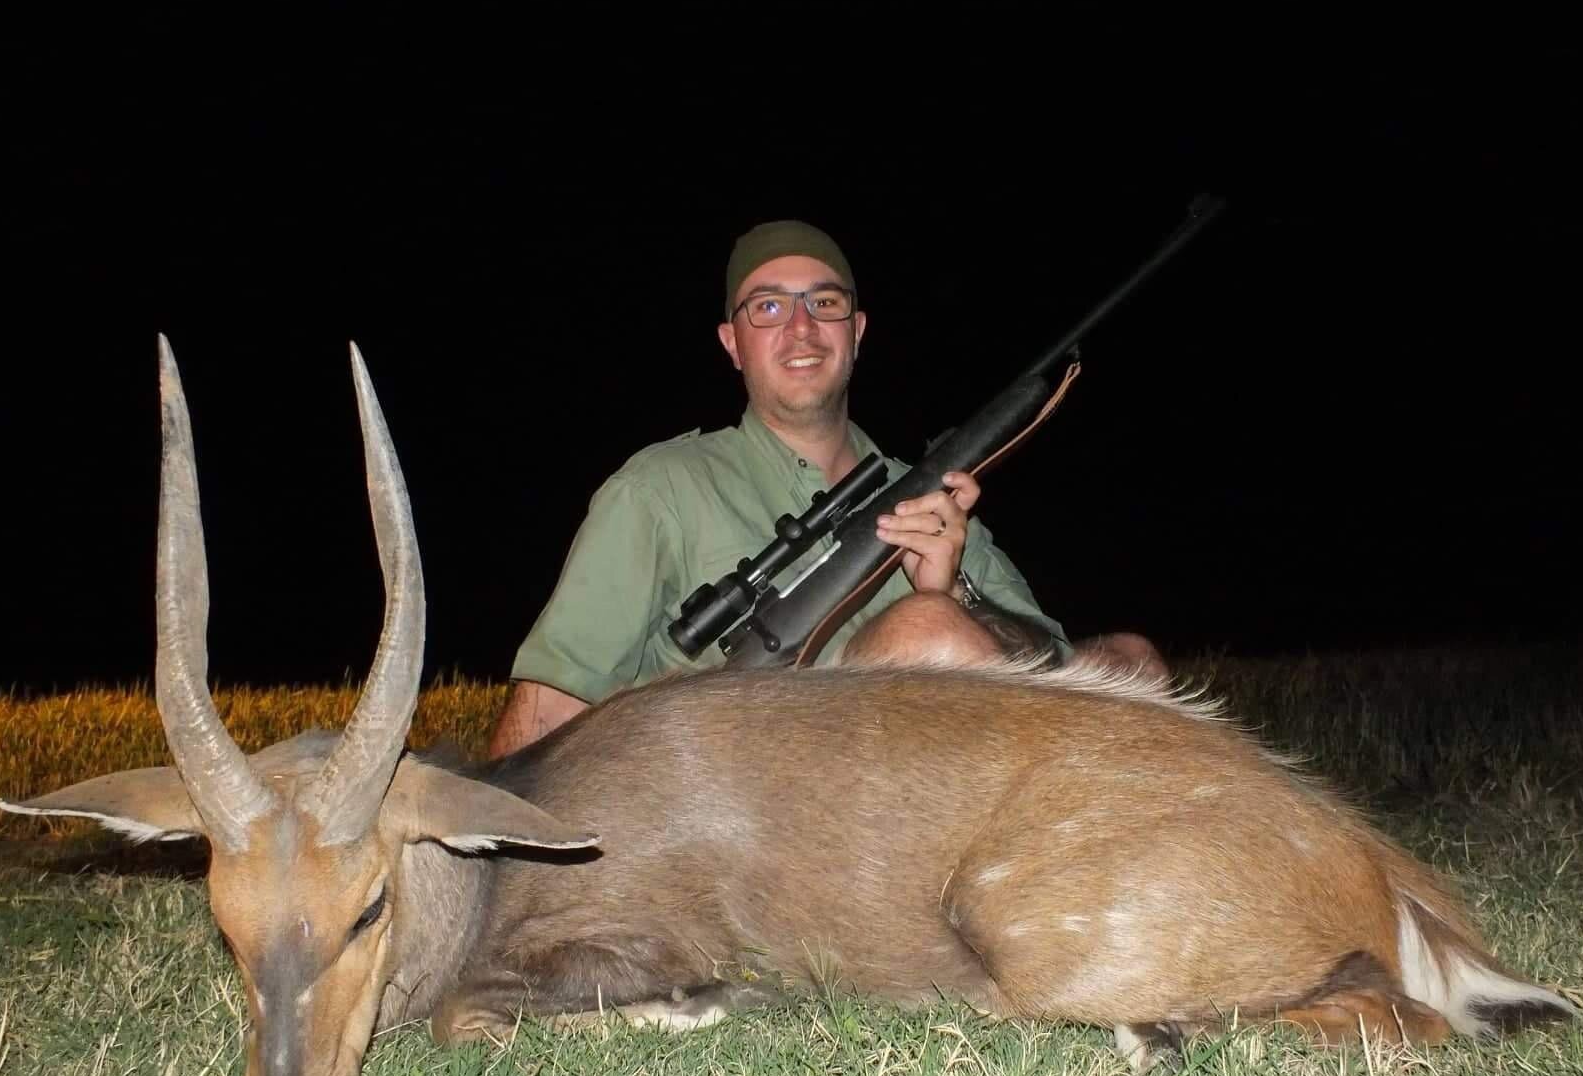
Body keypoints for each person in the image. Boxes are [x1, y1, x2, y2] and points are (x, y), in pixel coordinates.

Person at [486, 219, 1167, 758]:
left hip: (949, 770)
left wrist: (954, 591)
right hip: (741, 804)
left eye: (825, 302)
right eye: (769, 306)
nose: (801, 326)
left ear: (856, 331)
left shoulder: (928, 494)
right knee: (926, 636)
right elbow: (552, 702)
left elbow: (1052, 663)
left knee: (1134, 663)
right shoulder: (659, 488)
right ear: (732, 343)